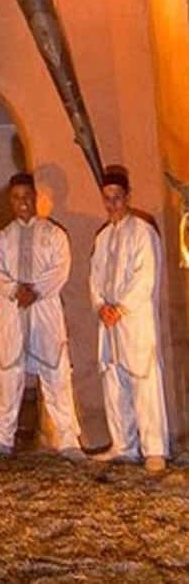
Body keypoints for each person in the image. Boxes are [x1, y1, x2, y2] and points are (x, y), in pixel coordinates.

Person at [0, 172, 85, 462]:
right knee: (8, 377)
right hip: (13, 315)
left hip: (44, 313)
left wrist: (35, 291)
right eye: (16, 197)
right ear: (10, 201)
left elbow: (60, 269)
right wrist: (16, 290)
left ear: (36, 198)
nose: (22, 202)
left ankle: (68, 440)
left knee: (56, 376)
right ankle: (1, 438)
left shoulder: (54, 235)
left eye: (27, 196)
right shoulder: (3, 239)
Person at [89, 166, 169, 472]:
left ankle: (154, 449)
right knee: (114, 380)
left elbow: (145, 277)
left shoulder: (143, 232)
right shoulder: (103, 237)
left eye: (117, 198)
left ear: (127, 197)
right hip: (108, 321)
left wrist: (120, 308)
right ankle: (123, 445)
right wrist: (100, 306)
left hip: (134, 320)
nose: (112, 204)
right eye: (107, 198)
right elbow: (95, 277)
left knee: (143, 380)